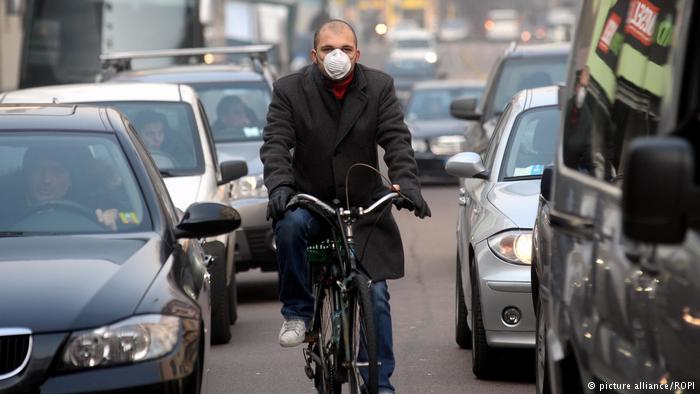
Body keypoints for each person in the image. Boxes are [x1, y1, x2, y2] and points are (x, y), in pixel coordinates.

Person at [260, 19, 431, 393]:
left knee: (376, 296)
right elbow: (276, 144)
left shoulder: (380, 86)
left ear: (358, 53)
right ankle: (298, 314)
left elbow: (396, 140)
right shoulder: (290, 90)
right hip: (311, 202)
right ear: (314, 55)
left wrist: (408, 185)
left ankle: (380, 385)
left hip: (363, 209)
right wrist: (280, 187)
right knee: (288, 227)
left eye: (345, 49)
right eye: (327, 49)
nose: (337, 56)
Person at [13, 146, 119, 230]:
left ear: (72, 179)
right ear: (27, 174)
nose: (46, 179)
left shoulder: (97, 207)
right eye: (38, 169)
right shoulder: (4, 209)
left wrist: (112, 225)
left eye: (57, 171)